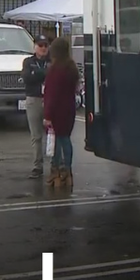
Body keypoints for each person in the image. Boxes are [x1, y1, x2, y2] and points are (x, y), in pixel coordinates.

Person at [42, 37, 80, 192]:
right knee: (66, 140)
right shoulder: (72, 68)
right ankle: (67, 172)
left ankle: (55, 171)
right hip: (69, 109)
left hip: (57, 110)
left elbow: (51, 94)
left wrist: (47, 115)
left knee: (56, 141)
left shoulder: (54, 70)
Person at [21, 35, 51, 178]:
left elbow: (51, 75)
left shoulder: (51, 61)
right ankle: (37, 165)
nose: (43, 48)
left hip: (50, 100)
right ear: (35, 47)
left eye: (45, 45)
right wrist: (42, 74)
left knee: (52, 133)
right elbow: (27, 78)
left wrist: (39, 74)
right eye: (40, 45)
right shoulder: (28, 62)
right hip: (34, 98)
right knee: (36, 135)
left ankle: (55, 164)